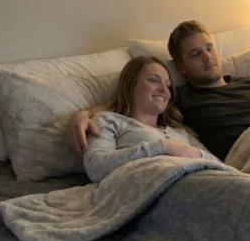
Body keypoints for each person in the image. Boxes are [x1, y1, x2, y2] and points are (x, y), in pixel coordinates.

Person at [69, 20, 250, 160]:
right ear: (181, 67)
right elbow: (129, 101)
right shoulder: (180, 96)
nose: (207, 57)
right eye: (196, 54)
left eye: (209, 48)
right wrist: (82, 115)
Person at [81, 56, 214, 183]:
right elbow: (95, 167)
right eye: (154, 80)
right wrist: (162, 147)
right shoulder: (109, 120)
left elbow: (218, 164)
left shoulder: (181, 132)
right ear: (131, 84)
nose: (164, 90)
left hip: (208, 182)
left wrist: (192, 153)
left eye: (168, 85)